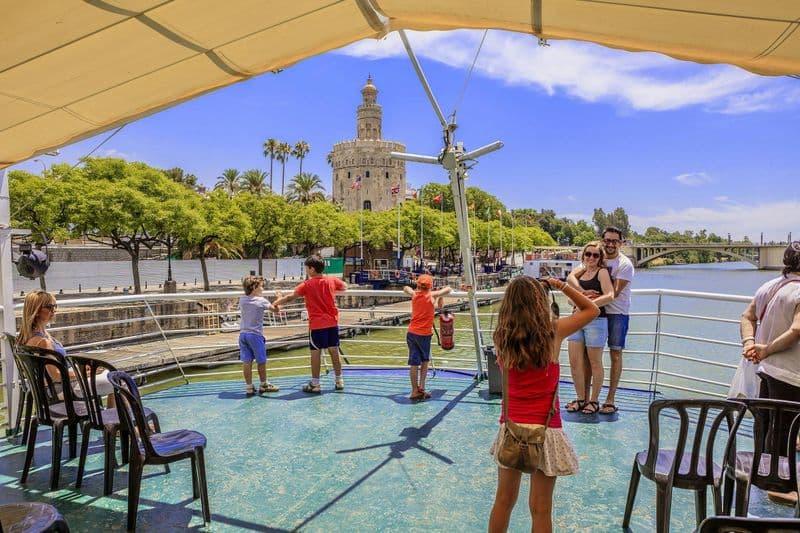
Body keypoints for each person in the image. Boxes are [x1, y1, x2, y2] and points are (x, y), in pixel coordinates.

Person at [489, 276, 599, 533]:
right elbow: (592, 309)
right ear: (540, 302)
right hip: (547, 430)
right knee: (540, 508)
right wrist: (561, 286)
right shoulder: (553, 332)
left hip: (511, 428)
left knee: (503, 502)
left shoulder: (501, 337)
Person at [740, 241, 800, 506]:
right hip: (791, 373)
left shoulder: (769, 286)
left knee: (764, 423)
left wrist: (750, 344)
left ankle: (763, 477)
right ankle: (780, 487)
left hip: (765, 371)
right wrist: (766, 349)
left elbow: (747, 316)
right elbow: (797, 330)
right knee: (784, 428)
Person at [17, 290, 115, 405]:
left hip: (51, 389)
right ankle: (117, 421)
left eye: (55, 306)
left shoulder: (27, 338)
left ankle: (116, 419)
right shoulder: (42, 342)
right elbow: (56, 376)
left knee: (113, 376)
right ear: (36, 311)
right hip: (61, 390)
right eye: (49, 307)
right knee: (118, 381)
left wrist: (80, 368)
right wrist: (85, 373)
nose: (54, 310)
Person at [272, 255, 347, 394]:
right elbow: (344, 287)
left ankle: (315, 383)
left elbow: (290, 298)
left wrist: (275, 302)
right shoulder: (331, 280)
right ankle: (339, 380)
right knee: (334, 351)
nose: (306, 270)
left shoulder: (307, 285)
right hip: (332, 322)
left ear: (312, 269)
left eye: (307, 268)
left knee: (315, 353)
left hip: (317, 325)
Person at [564, 242, 615, 414]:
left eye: (595, 255)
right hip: (576, 320)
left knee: (595, 363)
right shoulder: (580, 273)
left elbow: (610, 295)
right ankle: (580, 398)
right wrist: (580, 300)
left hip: (595, 321)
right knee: (574, 362)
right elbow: (570, 299)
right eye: (588, 254)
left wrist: (587, 304)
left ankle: (593, 401)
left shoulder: (602, 272)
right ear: (583, 256)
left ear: (600, 258)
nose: (591, 258)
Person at [598, 226, 635, 414]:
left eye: (615, 241)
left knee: (615, 355)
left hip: (617, 314)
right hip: (595, 312)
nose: (610, 244)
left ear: (621, 243)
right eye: (607, 240)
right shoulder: (595, 258)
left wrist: (586, 295)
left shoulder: (625, 264)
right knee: (591, 356)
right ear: (602, 240)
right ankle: (591, 398)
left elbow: (613, 293)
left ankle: (610, 398)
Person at [402, 274, 452, 400]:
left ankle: (414, 390)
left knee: (414, 363)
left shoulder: (414, 295)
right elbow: (449, 289)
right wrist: (439, 293)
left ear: (418, 286)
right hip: (424, 335)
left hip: (412, 333)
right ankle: (422, 386)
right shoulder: (431, 296)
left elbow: (405, 288)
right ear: (430, 287)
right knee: (425, 361)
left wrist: (413, 290)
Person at [238, 275, 281, 396]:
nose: (263, 289)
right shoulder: (261, 301)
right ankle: (263, 385)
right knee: (261, 361)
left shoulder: (242, 300)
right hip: (255, 335)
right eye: (262, 286)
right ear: (254, 287)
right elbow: (276, 310)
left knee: (247, 361)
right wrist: (279, 298)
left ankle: (249, 387)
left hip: (243, 334)